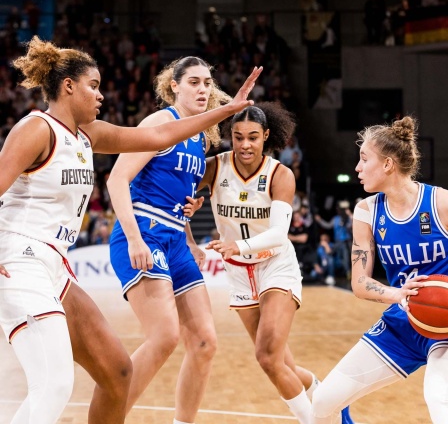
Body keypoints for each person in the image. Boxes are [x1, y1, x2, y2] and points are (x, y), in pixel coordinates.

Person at [0, 36, 262, 424]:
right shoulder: (37, 129)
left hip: (56, 265)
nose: (101, 95)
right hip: (19, 260)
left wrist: (227, 112)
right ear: (68, 86)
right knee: (54, 384)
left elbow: (158, 138)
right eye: (93, 86)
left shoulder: (87, 134)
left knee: (117, 370)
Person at [189, 102, 353, 424]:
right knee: (279, 363)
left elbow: (279, 234)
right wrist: (190, 238)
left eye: (252, 137)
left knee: (266, 357)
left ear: (265, 136)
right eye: (237, 137)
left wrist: (236, 244)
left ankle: (317, 420)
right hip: (238, 274)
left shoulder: (281, 174)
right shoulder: (214, 167)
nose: (245, 145)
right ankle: (322, 389)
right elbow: (175, 202)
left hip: (275, 265)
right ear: (230, 137)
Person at [106, 56, 233, 424]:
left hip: (176, 239)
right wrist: (134, 239)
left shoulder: (199, 137)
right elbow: (117, 180)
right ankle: (108, 417)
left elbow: (179, 198)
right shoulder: (161, 122)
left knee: (205, 343)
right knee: (164, 336)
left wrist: (191, 236)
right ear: (174, 86)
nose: (203, 89)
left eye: (208, 83)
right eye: (194, 82)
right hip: (143, 233)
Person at [311, 116, 448, 423]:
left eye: (363, 159)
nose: (357, 168)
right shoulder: (367, 211)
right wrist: (397, 294)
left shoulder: (440, 203)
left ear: (387, 165)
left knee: (439, 400)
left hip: (445, 323)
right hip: (402, 322)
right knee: (321, 403)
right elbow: (359, 283)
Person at [314, 201, 353, 279]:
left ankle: (348, 274)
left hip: (346, 242)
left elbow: (351, 226)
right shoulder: (336, 219)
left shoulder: (348, 218)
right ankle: (332, 274)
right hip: (337, 242)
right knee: (331, 255)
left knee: (346, 259)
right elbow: (328, 226)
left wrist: (350, 215)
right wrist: (320, 220)